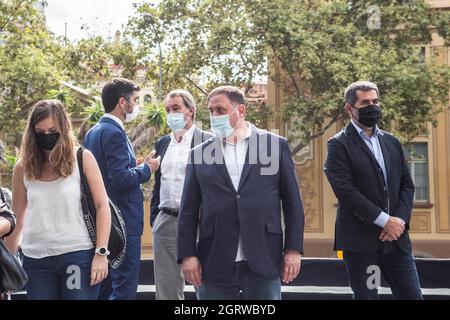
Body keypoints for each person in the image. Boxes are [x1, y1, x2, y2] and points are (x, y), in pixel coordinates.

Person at [177, 86, 305, 300]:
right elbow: (188, 210)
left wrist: (293, 250)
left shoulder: (274, 146)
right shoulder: (199, 153)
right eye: (211, 111)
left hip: (264, 258)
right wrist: (188, 255)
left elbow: (293, 204)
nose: (214, 116)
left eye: (220, 110)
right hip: (214, 260)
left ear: (241, 110)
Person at [324, 81, 423, 300]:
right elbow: (345, 191)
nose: (372, 106)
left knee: (412, 296)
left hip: (396, 240)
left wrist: (398, 221)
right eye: (365, 102)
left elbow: (407, 185)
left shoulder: (392, 142)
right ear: (350, 108)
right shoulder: (338, 145)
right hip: (361, 243)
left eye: (375, 101)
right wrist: (383, 220)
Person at [5, 99, 111, 300]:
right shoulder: (22, 168)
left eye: (52, 130)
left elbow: (102, 205)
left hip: (77, 255)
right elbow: (17, 219)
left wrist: (101, 253)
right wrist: (7, 264)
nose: (47, 136)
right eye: (40, 132)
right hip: (36, 260)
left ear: (63, 128)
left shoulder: (82, 158)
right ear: (32, 132)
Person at [84, 78, 160, 300]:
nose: (136, 106)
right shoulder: (115, 132)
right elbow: (120, 179)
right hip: (123, 221)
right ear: (121, 102)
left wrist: (133, 165)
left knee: (104, 286)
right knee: (125, 287)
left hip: (103, 221)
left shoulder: (93, 131)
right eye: (134, 100)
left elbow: (107, 172)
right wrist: (147, 168)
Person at [151, 89, 213, 300]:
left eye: (176, 108)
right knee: (167, 287)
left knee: (203, 283)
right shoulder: (162, 143)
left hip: (198, 221)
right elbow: (159, 182)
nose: (171, 114)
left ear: (191, 111)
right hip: (166, 220)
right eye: (168, 110)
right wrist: (155, 217)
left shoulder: (209, 141)